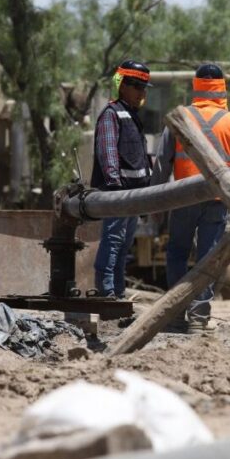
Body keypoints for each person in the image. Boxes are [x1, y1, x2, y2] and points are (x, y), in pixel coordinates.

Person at [152, 64, 230, 332]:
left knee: (177, 254)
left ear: (195, 86)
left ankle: (174, 314)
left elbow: (162, 163)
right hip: (218, 203)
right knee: (208, 258)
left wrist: (155, 203)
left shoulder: (180, 117)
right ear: (222, 88)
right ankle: (199, 316)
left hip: (183, 199)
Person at [90, 60, 153, 299]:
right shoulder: (111, 114)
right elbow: (108, 153)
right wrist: (115, 188)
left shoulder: (132, 116)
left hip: (134, 195)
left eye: (144, 88)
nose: (142, 93)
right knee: (113, 241)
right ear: (123, 86)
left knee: (125, 244)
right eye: (137, 86)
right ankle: (106, 292)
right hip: (119, 193)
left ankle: (117, 292)